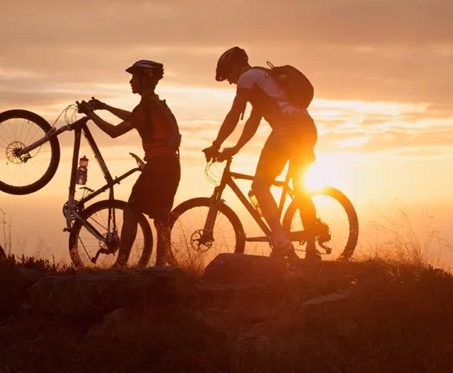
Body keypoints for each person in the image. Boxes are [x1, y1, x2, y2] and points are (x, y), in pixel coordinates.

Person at [203, 47, 319, 259]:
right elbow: (253, 122)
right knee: (300, 187)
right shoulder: (264, 80)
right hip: (307, 129)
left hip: (287, 132)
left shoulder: (247, 78)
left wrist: (216, 144)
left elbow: (234, 114)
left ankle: (282, 242)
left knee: (259, 186)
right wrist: (236, 148)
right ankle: (312, 249)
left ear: (236, 67)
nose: (229, 81)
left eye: (228, 74)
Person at [79, 60, 182, 267]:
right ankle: (160, 267)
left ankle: (121, 263)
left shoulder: (146, 106)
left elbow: (114, 132)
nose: (130, 81)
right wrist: (105, 107)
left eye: (134, 78)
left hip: (158, 165)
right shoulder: (154, 104)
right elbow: (133, 118)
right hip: (172, 165)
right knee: (161, 219)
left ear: (143, 80)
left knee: (131, 209)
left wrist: (90, 114)